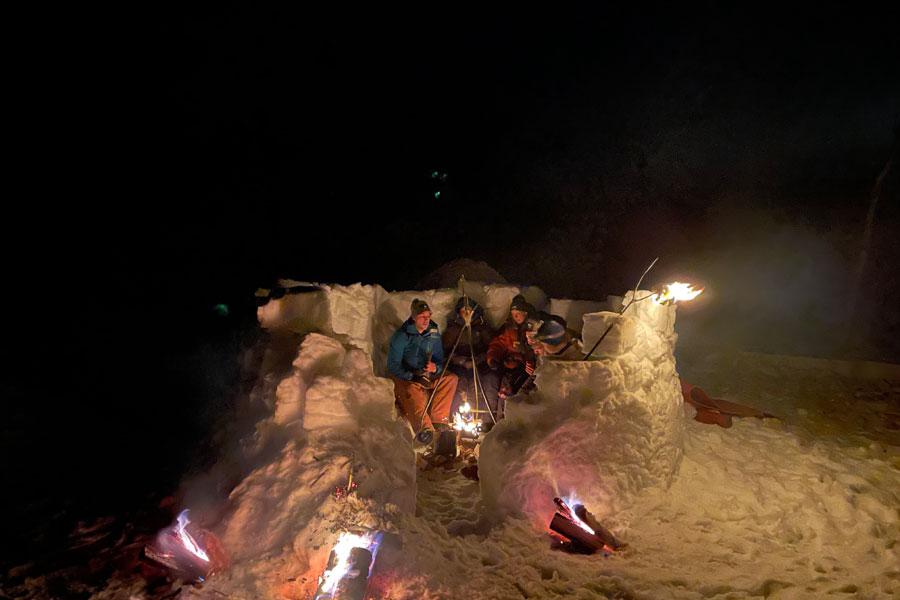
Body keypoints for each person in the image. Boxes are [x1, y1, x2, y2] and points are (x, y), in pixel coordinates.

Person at [388, 298, 458, 436]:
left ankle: (439, 421)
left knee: (451, 379)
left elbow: (439, 358)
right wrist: (412, 376)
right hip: (407, 375)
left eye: (428, 316)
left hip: (426, 374)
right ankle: (425, 431)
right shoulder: (402, 336)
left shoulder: (432, 332)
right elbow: (393, 365)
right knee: (412, 391)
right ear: (414, 317)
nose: (426, 320)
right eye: (422, 317)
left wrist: (435, 368)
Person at [484, 294, 536, 413]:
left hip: (525, 367)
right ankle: (494, 419)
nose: (516, 317)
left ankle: (508, 419)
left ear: (526, 313)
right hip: (510, 364)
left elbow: (537, 350)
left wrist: (526, 354)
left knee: (510, 386)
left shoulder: (533, 327)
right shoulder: (509, 329)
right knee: (492, 381)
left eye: (518, 313)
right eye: (513, 314)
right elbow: (497, 344)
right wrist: (493, 359)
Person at [442, 297, 494, 414]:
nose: (466, 314)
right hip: (459, 365)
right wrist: (459, 360)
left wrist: (478, 360)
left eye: (469, 310)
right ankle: (455, 416)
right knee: (459, 385)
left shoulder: (481, 327)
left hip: (478, 364)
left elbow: (490, 348)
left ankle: (478, 416)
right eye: (463, 311)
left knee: (476, 386)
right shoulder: (454, 329)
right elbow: (445, 349)